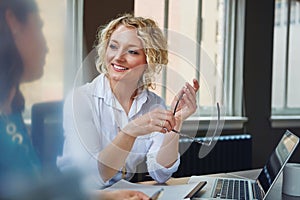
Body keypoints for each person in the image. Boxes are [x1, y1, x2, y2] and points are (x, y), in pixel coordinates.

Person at [0, 0, 149, 199]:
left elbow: (39, 194)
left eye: (132, 51)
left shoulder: (12, 113)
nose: (46, 47)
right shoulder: (81, 99)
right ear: (13, 24)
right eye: (39, 27)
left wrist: (107, 197)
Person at [57, 13, 200, 188]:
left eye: (132, 51)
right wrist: (129, 132)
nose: (118, 57)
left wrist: (175, 123)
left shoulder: (153, 105)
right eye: (113, 46)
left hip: (123, 192)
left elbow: (160, 173)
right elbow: (90, 176)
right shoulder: (80, 100)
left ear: (149, 60)